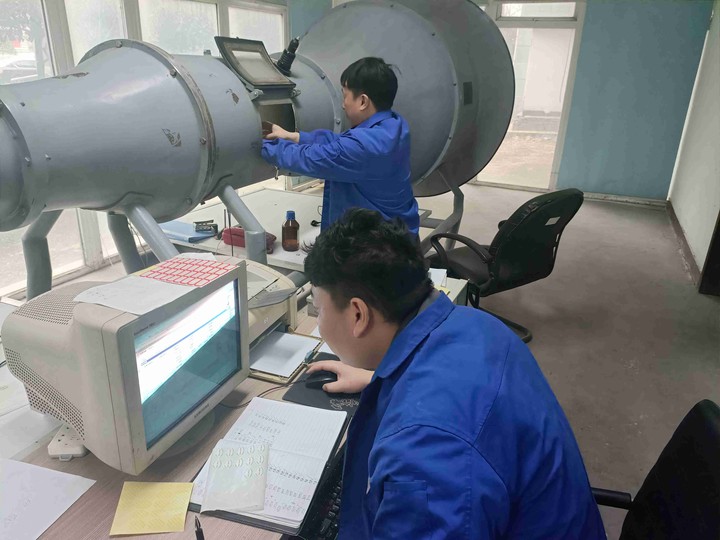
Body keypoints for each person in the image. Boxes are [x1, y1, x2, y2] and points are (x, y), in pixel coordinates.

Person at [303, 209, 606, 539]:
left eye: (318, 309)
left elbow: (445, 437)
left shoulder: (422, 454)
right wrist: (382, 381)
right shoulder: (476, 324)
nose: (319, 321)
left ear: (358, 314)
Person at [261, 57, 419, 235]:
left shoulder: (363, 146)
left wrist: (260, 145)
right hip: (399, 232)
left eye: (345, 96)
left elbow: (311, 158)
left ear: (363, 101)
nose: (343, 105)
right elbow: (339, 143)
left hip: (377, 243)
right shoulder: (393, 125)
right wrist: (294, 136)